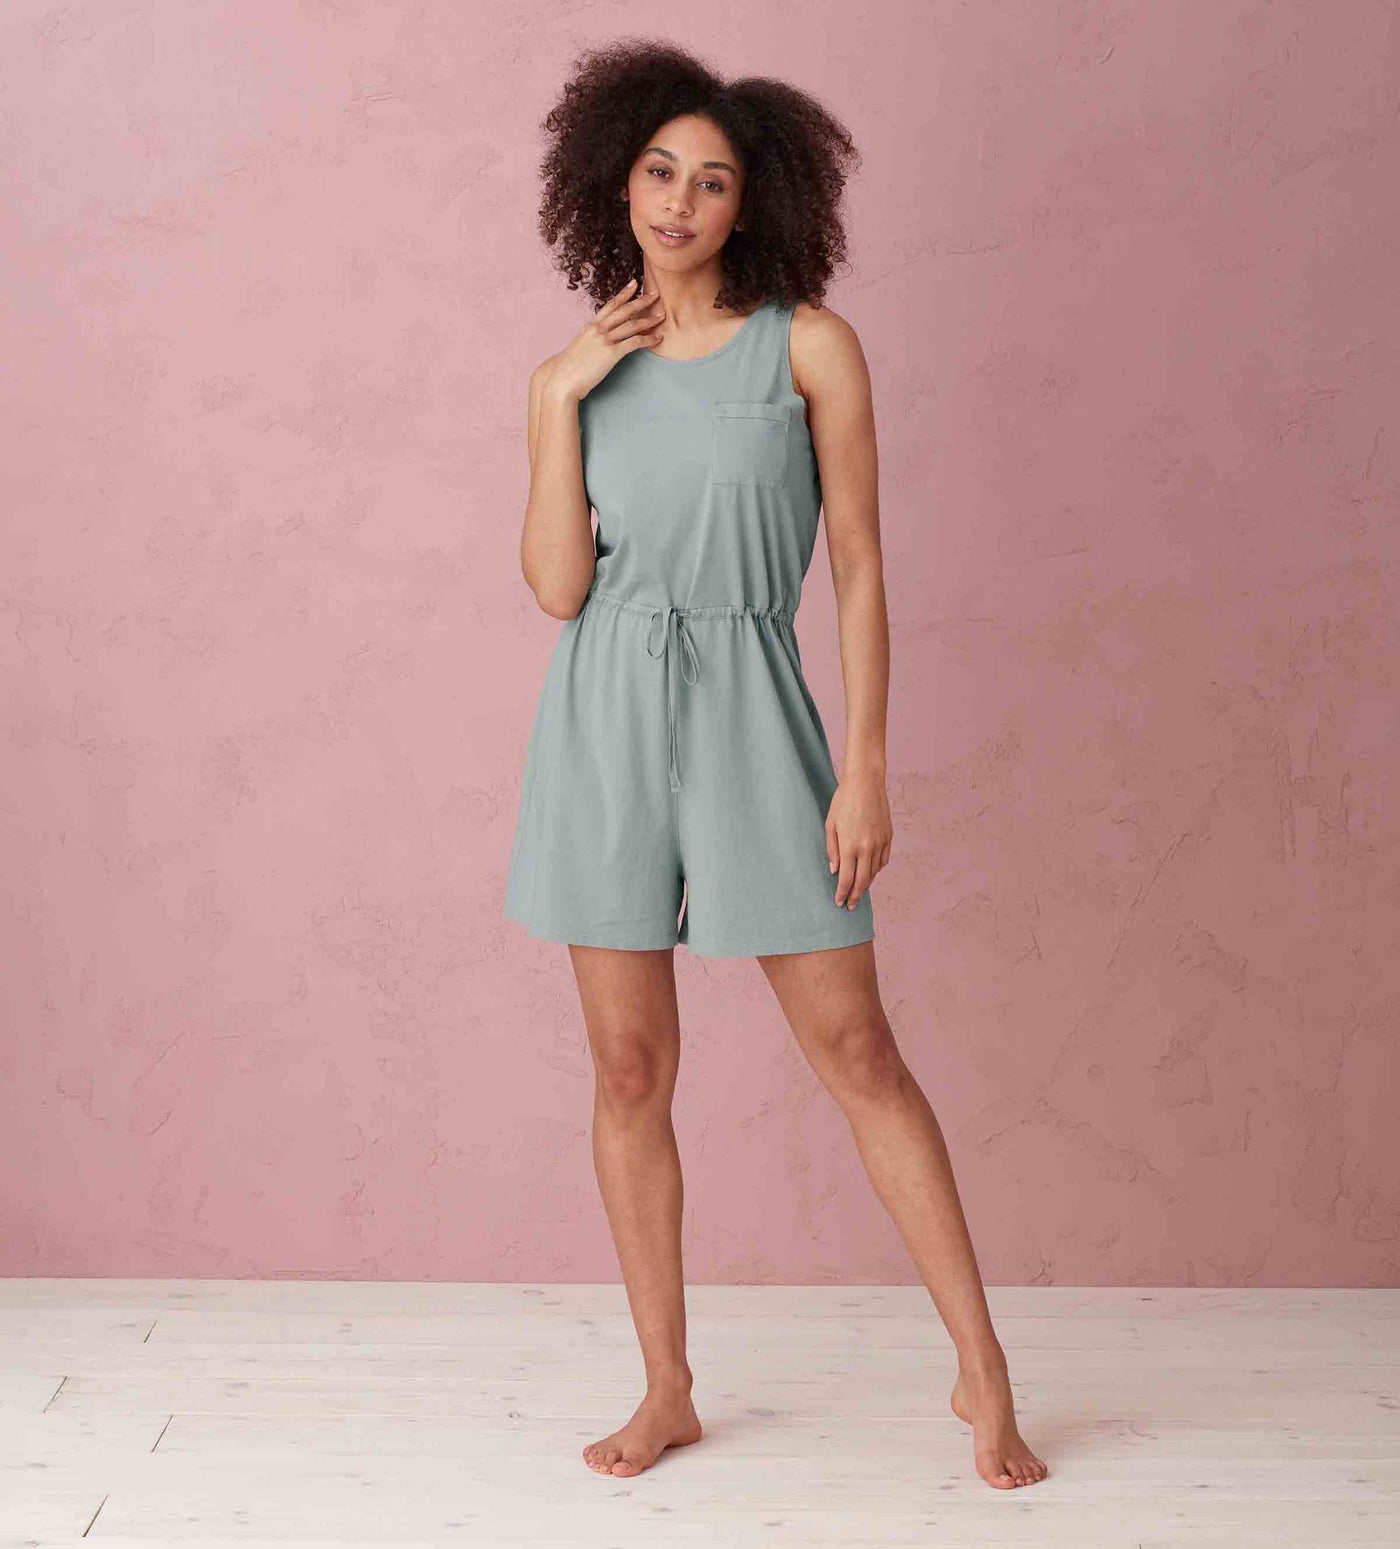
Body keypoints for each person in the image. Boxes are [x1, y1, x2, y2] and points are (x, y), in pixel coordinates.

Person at [505, 39, 1047, 1491]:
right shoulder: (576, 373)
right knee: (630, 1067)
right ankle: (667, 1386)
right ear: (615, 185)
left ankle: (982, 1369)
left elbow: (859, 567)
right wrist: (555, 401)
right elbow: (557, 588)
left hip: (756, 707)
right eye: (659, 173)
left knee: (860, 1051)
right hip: (604, 719)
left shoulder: (808, 348)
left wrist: (864, 767)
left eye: (713, 181)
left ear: (755, 203)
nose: (679, 202)